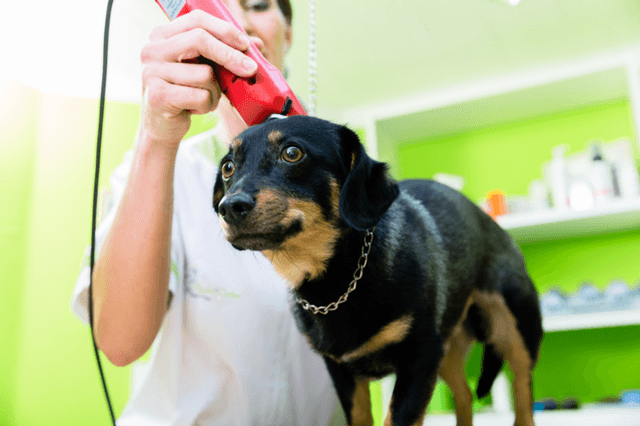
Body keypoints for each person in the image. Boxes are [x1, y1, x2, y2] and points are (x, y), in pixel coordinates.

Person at [70, 0, 345, 424]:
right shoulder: (168, 170)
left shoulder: (345, 176)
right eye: (222, 6)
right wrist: (156, 137)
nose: (237, 22)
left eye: (257, 4)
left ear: (288, 33)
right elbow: (119, 343)